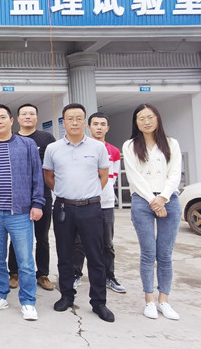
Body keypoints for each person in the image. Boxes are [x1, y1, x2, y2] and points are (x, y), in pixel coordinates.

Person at [43, 103, 114, 323]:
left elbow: (103, 176)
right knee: (65, 254)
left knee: (95, 256)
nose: (74, 122)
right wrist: (65, 193)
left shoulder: (98, 147)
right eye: (70, 119)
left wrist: (87, 194)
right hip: (64, 208)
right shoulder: (53, 148)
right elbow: (49, 177)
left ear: (85, 122)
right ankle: (66, 295)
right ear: (63, 122)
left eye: (79, 118)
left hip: (91, 208)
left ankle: (98, 302)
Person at [0, 105, 45, 321]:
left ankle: (28, 301)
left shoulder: (27, 144)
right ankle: (0, 295)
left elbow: (37, 175)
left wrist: (37, 203)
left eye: (2, 117)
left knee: (25, 261)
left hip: (20, 213)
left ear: (11, 120)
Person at [123, 104, 182, 320]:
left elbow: (174, 173)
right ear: (136, 122)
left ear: (157, 118)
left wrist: (163, 198)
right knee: (148, 253)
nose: (146, 122)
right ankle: (149, 300)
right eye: (141, 118)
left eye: (150, 117)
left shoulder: (171, 143)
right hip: (142, 201)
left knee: (165, 254)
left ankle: (164, 300)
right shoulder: (130, 145)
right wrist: (153, 201)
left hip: (169, 200)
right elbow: (134, 177)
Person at [73, 113, 126, 293]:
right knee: (79, 243)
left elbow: (112, 177)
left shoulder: (114, 151)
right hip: (83, 202)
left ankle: (109, 276)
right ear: (89, 127)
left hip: (106, 203)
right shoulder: (80, 148)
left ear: (107, 128)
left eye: (103, 124)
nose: (99, 127)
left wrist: (101, 191)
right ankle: (75, 274)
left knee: (107, 243)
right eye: (95, 124)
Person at [8, 103, 57, 292]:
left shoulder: (47, 139)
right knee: (16, 236)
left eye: (31, 114)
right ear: (17, 119)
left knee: (42, 237)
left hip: (42, 195)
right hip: (18, 197)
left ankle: (42, 274)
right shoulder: (12, 138)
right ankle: (14, 273)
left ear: (36, 117)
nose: (28, 116)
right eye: (24, 114)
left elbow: (53, 166)